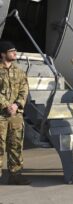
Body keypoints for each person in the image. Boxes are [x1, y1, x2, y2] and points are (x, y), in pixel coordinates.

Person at [0, 41, 30, 185]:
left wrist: (16, 105)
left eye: (15, 50)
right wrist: (6, 105)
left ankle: (15, 175)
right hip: (1, 115)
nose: (15, 53)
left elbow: (24, 89)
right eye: (11, 51)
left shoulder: (19, 71)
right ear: (3, 54)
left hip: (15, 115)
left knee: (16, 145)